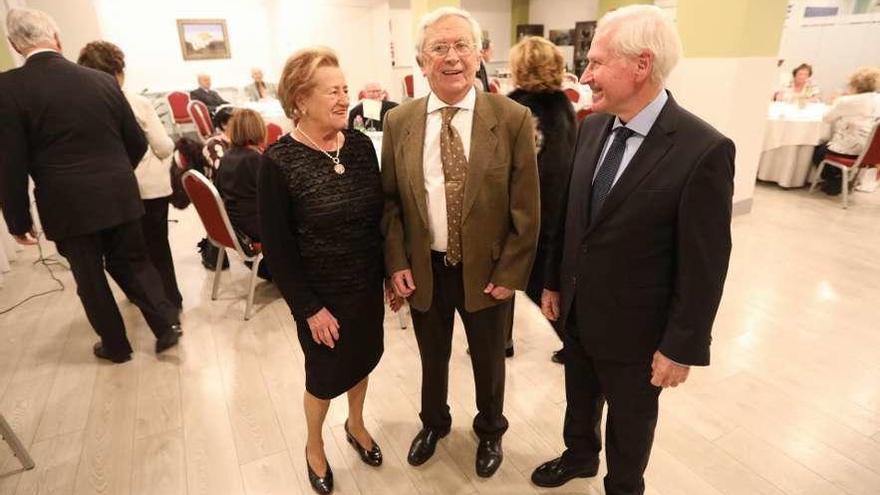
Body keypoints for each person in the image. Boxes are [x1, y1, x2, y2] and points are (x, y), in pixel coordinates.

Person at [530, 6, 734, 495]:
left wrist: (681, 346)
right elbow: (570, 214)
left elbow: (705, 265)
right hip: (578, 312)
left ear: (641, 64)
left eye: (597, 62)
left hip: (639, 332)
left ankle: (623, 485)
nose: (586, 74)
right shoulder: (594, 126)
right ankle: (579, 456)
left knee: (631, 420)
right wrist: (553, 280)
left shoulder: (702, 149)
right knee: (578, 396)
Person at [382, 7, 539, 479]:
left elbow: (527, 209)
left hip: (488, 272)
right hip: (425, 267)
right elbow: (389, 202)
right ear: (421, 60)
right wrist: (396, 262)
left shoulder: (511, 118)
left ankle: (490, 429)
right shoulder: (399, 121)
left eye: (461, 46)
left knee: (490, 360)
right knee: (432, 356)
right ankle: (434, 423)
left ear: (480, 54)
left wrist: (511, 273)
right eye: (439, 48)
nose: (452, 57)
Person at [0, 8, 182, 364]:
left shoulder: (8, 89)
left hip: (66, 203)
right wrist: (116, 176)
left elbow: (10, 164)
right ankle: (165, 325)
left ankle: (116, 346)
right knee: (134, 261)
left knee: (90, 276)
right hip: (119, 194)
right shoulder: (100, 81)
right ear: (57, 38)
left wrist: (18, 221)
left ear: (14, 45)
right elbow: (137, 142)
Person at [259, 47, 399, 495]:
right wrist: (310, 309)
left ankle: (356, 424)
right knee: (323, 376)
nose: (344, 99)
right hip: (321, 297)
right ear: (300, 99)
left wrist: (388, 275)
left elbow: (376, 219)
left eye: (345, 89)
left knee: (362, 360)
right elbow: (278, 251)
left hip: (364, 287)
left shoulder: (358, 146)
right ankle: (314, 445)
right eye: (332, 92)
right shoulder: (278, 162)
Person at [77, 40, 184, 311]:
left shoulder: (84, 106)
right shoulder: (137, 102)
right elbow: (162, 145)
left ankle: (145, 300)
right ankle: (171, 299)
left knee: (129, 252)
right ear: (119, 70)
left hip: (112, 192)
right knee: (158, 247)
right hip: (150, 186)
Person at [506, 36, 577, 364]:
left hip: (527, 211)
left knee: (531, 283)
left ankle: (574, 344)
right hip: (561, 205)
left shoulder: (513, 106)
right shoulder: (564, 104)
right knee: (545, 283)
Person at [214, 109, 271, 280]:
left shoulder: (227, 157)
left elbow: (219, 190)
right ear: (259, 129)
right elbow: (275, 196)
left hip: (237, 226)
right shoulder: (255, 159)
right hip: (256, 229)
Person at [813, 66, 880, 195]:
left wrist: (835, 103)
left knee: (818, 151)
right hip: (870, 150)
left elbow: (827, 118)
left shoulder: (846, 101)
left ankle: (834, 180)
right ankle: (843, 179)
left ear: (854, 84)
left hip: (848, 148)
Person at [203, 106, 235, 175]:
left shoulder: (238, 140)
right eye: (237, 122)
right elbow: (224, 171)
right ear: (224, 125)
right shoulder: (214, 144)